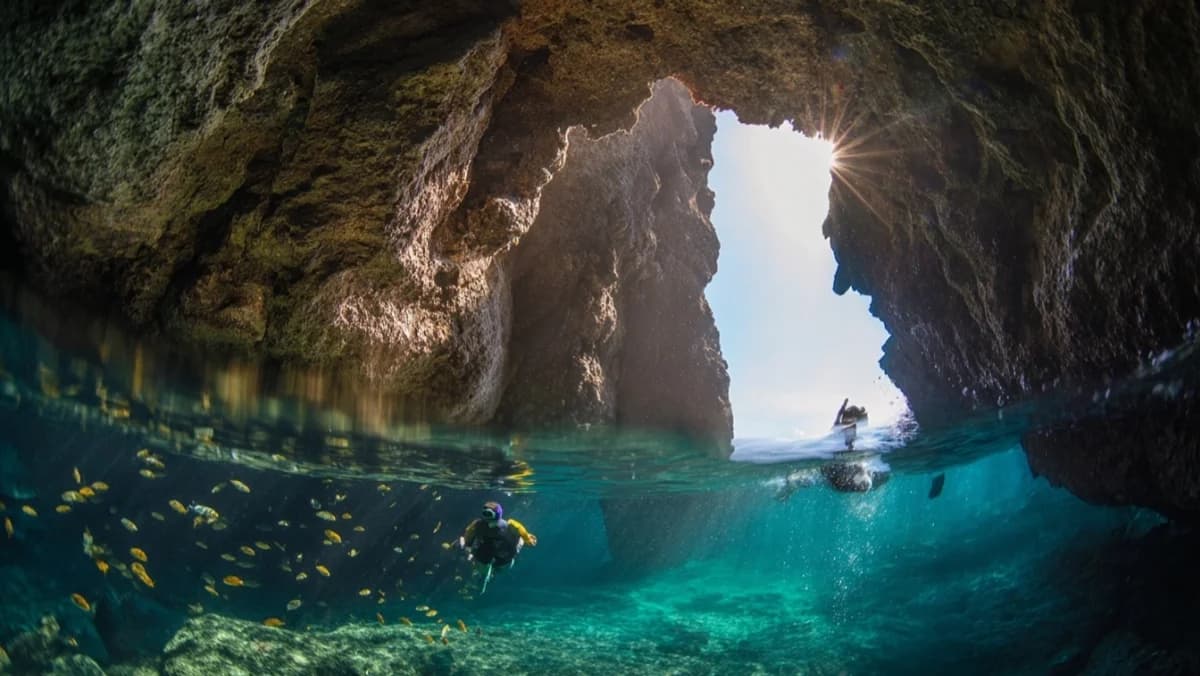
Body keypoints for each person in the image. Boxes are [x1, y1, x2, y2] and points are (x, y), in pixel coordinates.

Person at [457, 501, 537, 593]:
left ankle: (487, 576)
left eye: (489, 514)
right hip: (490, 552)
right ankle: (484, 579)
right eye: (485, 514)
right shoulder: (479, 525)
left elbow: (468, 534)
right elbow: (469, 533)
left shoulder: (510, 525)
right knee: (487, 566)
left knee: (501, 566)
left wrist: (526, 538)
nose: (487, 517)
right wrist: (468, 545)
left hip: (503, 553)